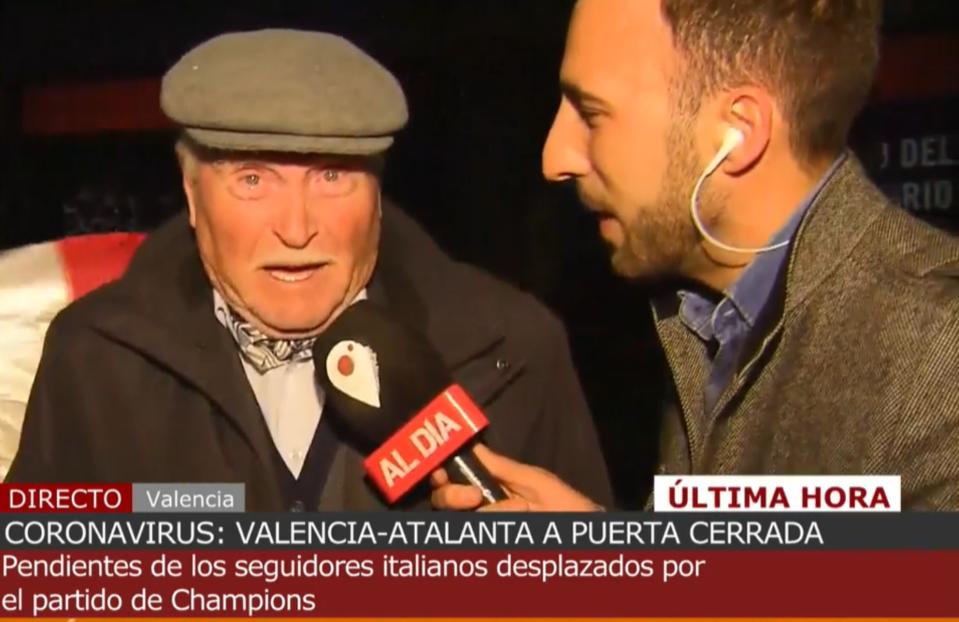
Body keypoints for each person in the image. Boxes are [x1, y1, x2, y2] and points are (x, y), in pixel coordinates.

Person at [6, 29, 613, 512]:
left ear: (377, 192)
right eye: (252, 179)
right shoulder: (96, 360)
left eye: (331, 176)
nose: (296, 229)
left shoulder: (513, 355)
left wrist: (567, 577)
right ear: (192, 196)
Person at [433, 0, 959, 511]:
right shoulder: (712, 321)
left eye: (591, 115)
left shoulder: (939, 359)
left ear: (739, 132)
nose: (555, 158)